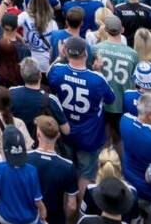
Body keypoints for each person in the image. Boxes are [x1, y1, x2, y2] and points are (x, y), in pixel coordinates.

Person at [47, 36, 113, 188]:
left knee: (67, 171)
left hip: (66, 132)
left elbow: (50, 75)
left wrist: (60, 57)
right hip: (89, 135)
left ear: (66, 52)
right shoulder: (97, 79)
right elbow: (110, 99)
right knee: (86, 175)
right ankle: (82, 204)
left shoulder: (57, 71)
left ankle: (68, 199)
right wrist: (98, 71)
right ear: (86, 54)